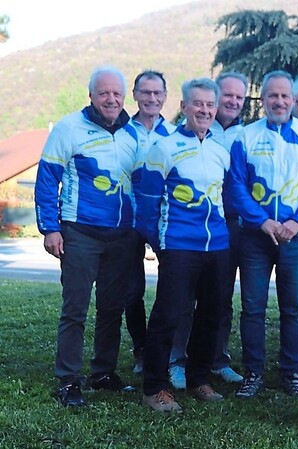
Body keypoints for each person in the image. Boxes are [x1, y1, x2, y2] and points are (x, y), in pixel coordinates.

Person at [34, 65, 139, 407]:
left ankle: (103, 372)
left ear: (124, 98)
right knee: (75, 308)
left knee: (111, 308)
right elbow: (47, 179)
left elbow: (142, 186)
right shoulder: (69, 128)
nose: (111, 99)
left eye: (117, 94)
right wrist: (50, 227)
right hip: (79, 232)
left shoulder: (133, 133)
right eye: (104, 93)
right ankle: (68, 380)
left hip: (121, 236)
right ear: (91, 96)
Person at [229, 70, 298, 400]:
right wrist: (261, 221)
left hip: (295, 237)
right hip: (256, 237)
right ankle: (253, 373)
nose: (280, 101)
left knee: (293, 309)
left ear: (294, 100)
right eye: (273, 95)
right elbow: (237, 186)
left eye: (286, 96)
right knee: (253, 308)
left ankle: (290, 373)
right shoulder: (245, 136)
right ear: (263, 99)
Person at [136, 77, 230, 413]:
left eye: (210, 105)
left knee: (211, 315)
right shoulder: (165, 147)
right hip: (178, 245)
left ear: (215, 109)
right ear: (183, 107)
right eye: (198, 103)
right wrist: (160, 244)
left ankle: (198, 379)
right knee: (169, 315)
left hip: (217, 246)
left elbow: (227, 198)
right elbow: (145, 204)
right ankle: (154, 387)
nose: (204, 110)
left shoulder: (221, 149)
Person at [125, 70, 176, 376]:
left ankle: (166, 350)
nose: (152, 99)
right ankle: (140, 348)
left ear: (165, 97)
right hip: (128, 221)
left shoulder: (173, 134)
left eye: (158, 93)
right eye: (146, 92)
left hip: (164, 222)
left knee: (171, 288)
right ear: (135, 94)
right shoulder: (122, 132)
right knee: (132, 291)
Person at [208, 71, 249, 385]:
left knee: (223, 296)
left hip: (234, 225)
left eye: (239, 96)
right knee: (188, 296)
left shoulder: (246, 136)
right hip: (196, 223)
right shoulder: (197, 130)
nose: (233, 101)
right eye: (228, 95)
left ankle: (218, 360)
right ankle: (179, 359)